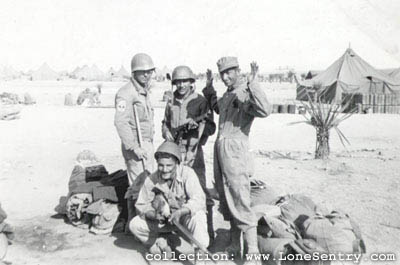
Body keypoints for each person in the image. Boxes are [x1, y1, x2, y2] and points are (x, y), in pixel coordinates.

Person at [202, 57, 272, 258]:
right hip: (221, 150)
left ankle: (252, 253)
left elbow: (264, 109)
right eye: (222, 73)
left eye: (229, 73)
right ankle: (235, 245)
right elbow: (217, 107)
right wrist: (209, 87)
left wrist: (254, 82)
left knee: (240, 198)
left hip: (235, 149)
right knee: (226, 196)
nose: (225, 77)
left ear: (238, 71)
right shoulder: (229, 93)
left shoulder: (244, 92)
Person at [161, 65, 216, 245]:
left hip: (193, 152)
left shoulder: (200, 101)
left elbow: (210, 127)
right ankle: (177, 229)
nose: (181, 85)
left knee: (200, 190)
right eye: (178, 82)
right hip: (174, 152)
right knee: (173, 189)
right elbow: (165, 122)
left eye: (185, 81)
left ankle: (208, 235)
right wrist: (165, 132)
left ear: (191, 82)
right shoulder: (171, 101)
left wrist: (197, 131)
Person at [130, 141, 209, 258]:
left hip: (183, 220)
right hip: (163, 222)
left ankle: (200, 254)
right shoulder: (151, 179)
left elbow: (199, 200)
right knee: (135, 224)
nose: (164, 169)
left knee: (199, 216)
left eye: (169, 165)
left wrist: (181, 212)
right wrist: (153, 215)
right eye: (161, 165)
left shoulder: (188, 174)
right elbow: (141, 205)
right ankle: (160, 241)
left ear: (177, 164)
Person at [114, 53, 155, 231]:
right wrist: (134, 147)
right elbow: (120, 122)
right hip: (135, 145)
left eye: (149, 71)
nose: (147, 75)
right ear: (134, 73)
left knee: (147, 182)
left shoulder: (144, 91)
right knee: (138, 185)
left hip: (146, 143)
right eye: (142, 72)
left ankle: (139, 221)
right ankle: (135, 223)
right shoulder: (125, 93)